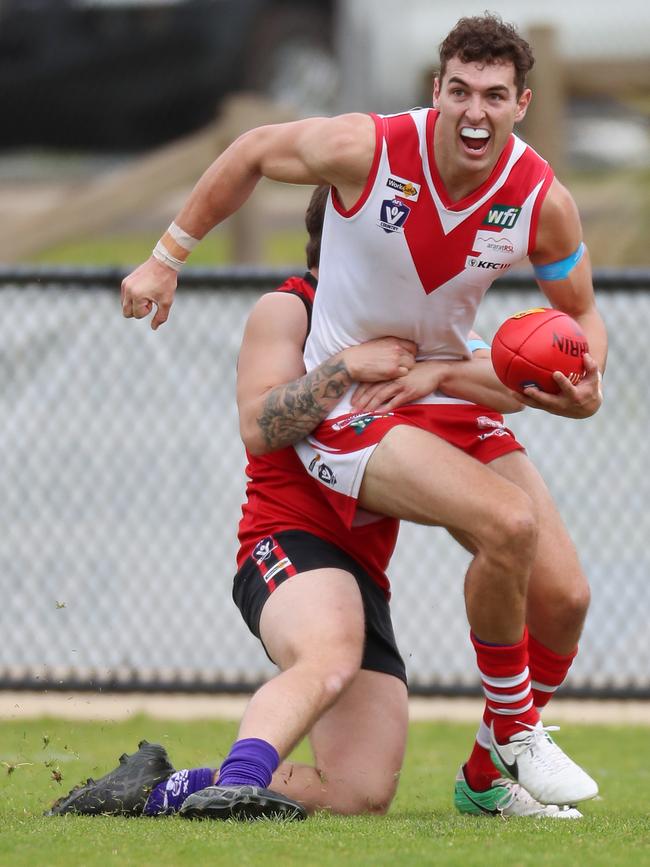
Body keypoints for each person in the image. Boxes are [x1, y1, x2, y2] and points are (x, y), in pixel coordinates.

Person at [120, 14, 608, 811]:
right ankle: (519, 734)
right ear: (436, 92)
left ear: (522, 102)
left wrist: (590, 377)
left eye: (493, 96)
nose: (474, 112)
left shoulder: (538, 197)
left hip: (438, 388)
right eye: (459, 92)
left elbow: (582, 317)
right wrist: (166, 257)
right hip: (353, 404)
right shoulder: (369, 149)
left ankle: (487, 782)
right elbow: (249, 151)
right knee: (506, 523)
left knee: (565, 596)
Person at [50, 185, 569, 822]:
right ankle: (236, 789)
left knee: (358, 791)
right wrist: (347, 366)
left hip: (363, 573)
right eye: (396, 237)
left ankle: (161, 789)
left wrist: (531, 367)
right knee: (329, 650)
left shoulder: (415, 327)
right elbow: (258, 425)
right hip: (285, 544)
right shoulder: (289, 309)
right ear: (351, 241)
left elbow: (506, 381)